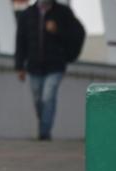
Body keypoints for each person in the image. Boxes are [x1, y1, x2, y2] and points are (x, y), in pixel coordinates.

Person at [15, 0, 84, 140]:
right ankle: (44, 128)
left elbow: (78, 34)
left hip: (55, 66)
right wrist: (19, 66)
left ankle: (44, 133)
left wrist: (58, 31)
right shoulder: (27, 14)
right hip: (34, 66)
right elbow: (20, 41)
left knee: (48, 97)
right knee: (38, 100)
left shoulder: (63, 13)